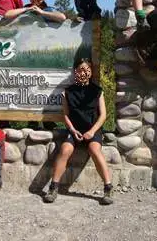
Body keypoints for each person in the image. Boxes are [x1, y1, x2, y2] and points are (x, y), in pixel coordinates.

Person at [43, 58, 114, 205]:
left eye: (87, 69)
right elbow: (66, 115)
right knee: (65, 149)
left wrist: (92, 132)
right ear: (75, 71)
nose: (84, 72)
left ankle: (108, 187)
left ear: (91, 72)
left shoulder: (97, 91)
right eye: (81, 69)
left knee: (94, 149)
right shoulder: (67, 93)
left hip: (93, 130)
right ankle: (53, 187)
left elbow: (103, 116)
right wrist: (73, 130)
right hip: (75, 130)